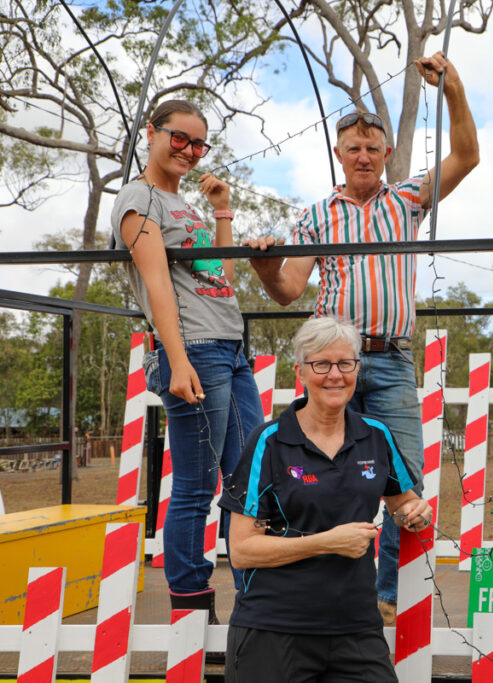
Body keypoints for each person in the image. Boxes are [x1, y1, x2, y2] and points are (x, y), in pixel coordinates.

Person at [247, 51, 478, 622]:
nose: (365, 156)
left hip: (393, 359)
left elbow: (468, 156)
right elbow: (287, 291)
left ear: (387, 155)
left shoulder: (407, 201)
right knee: (316, 466)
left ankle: (389, 595)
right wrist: (261, 267)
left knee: (403, 476)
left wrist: (452, 87)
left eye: (375, 149)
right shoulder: (317, 214)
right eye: (355, 148)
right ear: (340, 154)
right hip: (332, 362)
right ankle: (323, 579)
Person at [111, 100, 263, 621]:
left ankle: (257, 599)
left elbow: (221, 277)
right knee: (198, 486)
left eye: (199, 145)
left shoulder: (185, 206)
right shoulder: (139, 198)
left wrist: (221, 210)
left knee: (250, 478)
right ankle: (192, 607)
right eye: (180, 139)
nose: (190, 152)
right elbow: (157, 286)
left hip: (230, 346)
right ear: (151, 133)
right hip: (195, 350)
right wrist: (176, 361)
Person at [220, 316, 431, 682]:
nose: (335, 375)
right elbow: (241, 550)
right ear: (300, 371)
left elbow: (402, 500)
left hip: (356, 628)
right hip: (274, 626)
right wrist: (324, 544)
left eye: (345, 363)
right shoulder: (268, 442)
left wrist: (416, 511)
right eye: (322, 364)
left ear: (357, 369)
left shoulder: (375, 435)